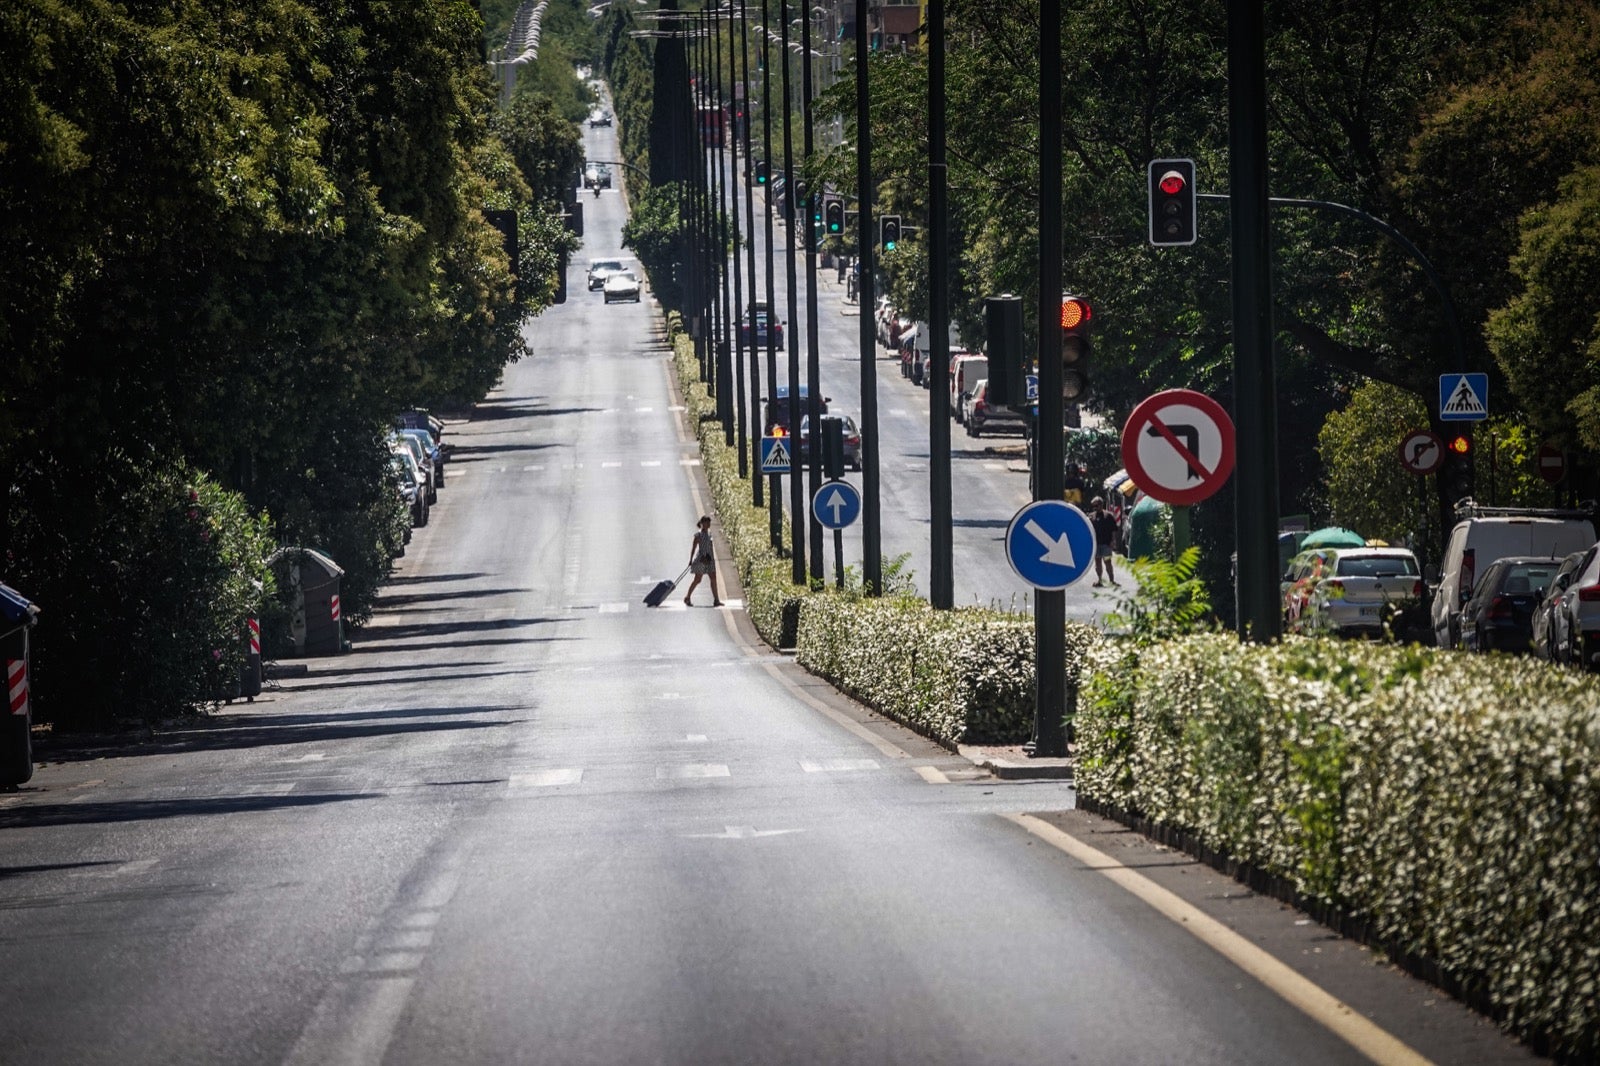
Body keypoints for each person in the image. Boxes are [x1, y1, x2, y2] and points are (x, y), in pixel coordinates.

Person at [683, 515, 722, 607]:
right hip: (702, 559)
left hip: (710, 559)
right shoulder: (698, 535)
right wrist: (690, 560)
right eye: (707, 522)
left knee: (713, 578)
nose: (708, 524)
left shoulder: (709, 534)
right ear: (702, 523)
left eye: (709, 522)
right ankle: (687, 597)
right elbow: (694, 548)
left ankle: (716, 600)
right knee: (697, 580)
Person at [1089, 496, 1119, 587]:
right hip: (1096, 545)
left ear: (1101, 505)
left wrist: (1113, 541)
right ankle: (1100, 580)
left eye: (1097, 505)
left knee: (1108, 562)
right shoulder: (1091, 516)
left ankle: (1111, 581)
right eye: (1093, 506)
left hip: (1106, 544)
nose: (1095, 508)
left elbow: (1113, 530)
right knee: (1097, 563)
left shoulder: (1108, 516)